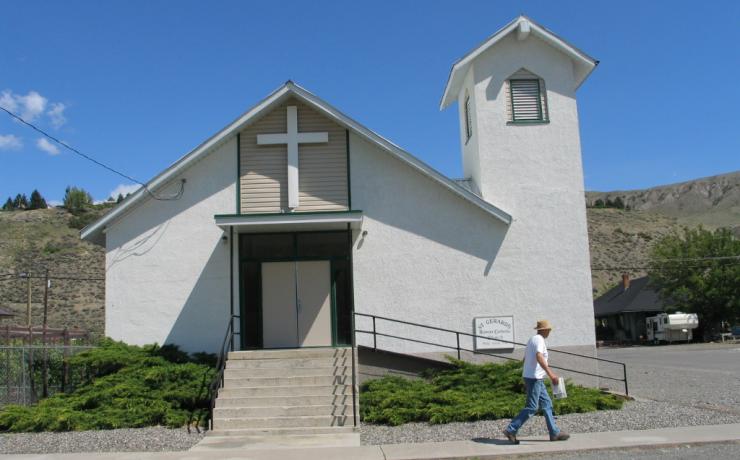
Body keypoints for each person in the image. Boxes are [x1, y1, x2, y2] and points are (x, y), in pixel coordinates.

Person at [502, 319, 569, 444]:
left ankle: (554, 433)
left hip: (534, 377)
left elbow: (526, 358)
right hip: (534, 378)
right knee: (532, 407)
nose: (549, 331)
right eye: (548, 329)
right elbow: (539, 356)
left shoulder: (532, 339)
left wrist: (524, 374)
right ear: (544, 330)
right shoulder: (539, 340)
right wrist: (551, 375)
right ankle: (511, 429)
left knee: (547, 404)